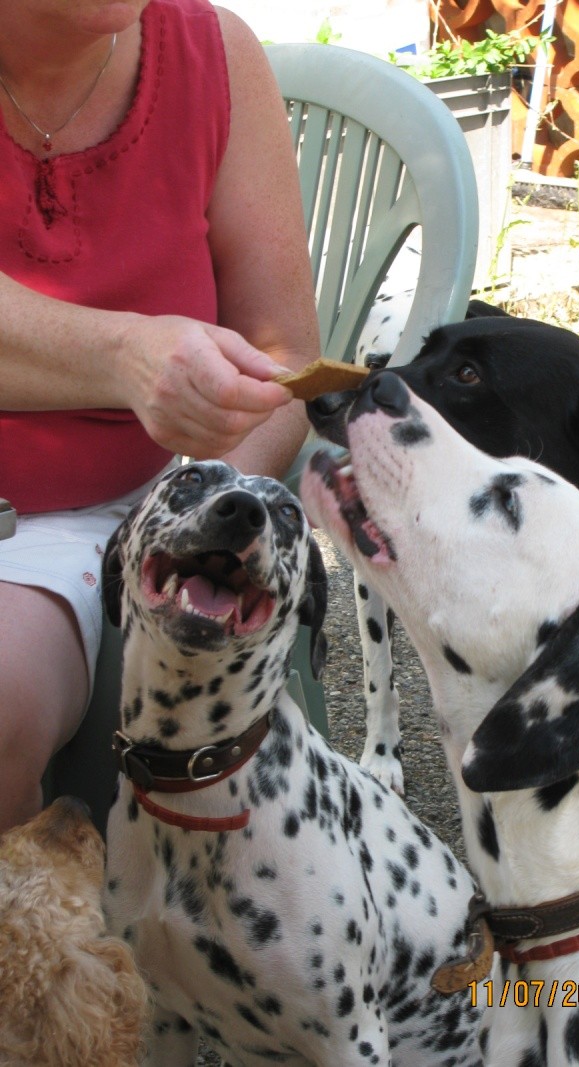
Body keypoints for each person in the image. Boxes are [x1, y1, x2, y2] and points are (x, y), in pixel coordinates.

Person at [0, 0, 322, 831]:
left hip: (81, 525)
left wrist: (200, 519)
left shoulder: (213, 57)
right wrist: (122, 354)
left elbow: (284, 356)